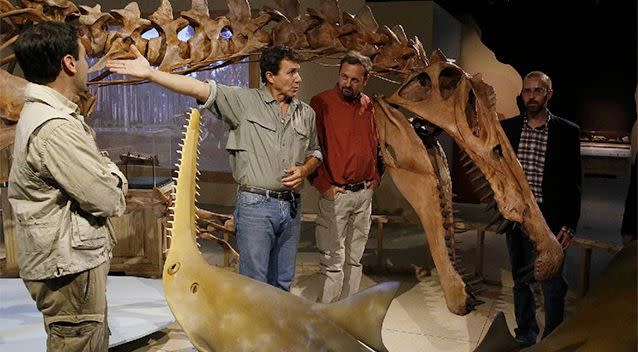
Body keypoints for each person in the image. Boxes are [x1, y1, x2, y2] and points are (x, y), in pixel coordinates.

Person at [107, 45, 322, 291]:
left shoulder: (306, 113)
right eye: (291, 72)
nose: (299, 79)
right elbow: (199, 88)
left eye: (298, 72)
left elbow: (315, 151)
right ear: (270, 76)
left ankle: (276, 329)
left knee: (283, 281)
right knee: (254, 284)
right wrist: (151, 74)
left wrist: (305, 169)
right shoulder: (244, 102)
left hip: (291, 207)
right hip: (257, 206)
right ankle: (249, 330)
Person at [9, 22, 128, 351]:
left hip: (68, 259)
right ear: (69, 63)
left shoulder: (52, 118)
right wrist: (115, 175)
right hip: (68, 266)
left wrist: (103, 171)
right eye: (85, 57)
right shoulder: (55, 128)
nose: (88, 66)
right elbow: (107, 198)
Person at [501, 71, 582, 346]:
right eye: (527, 91)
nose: (531, 96)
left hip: (550, 219)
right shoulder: (509, 129)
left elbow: (574, 183)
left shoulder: (567, 132)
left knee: (553, 284)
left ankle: (554, 338)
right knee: (521, 281)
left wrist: (569, 224)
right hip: (518, 219)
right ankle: (525, 334)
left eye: (537, 90)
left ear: (549, 94)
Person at [309, 51, 382, 303]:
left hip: (363, 194)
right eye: (344, 77)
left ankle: (347, 312)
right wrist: (324, 186)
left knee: (354, 259)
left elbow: (375, 144)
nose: (347, 84)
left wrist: (376, 177)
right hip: (336, 195)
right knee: (333, 260)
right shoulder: (321, 102)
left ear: (365, 80)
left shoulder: (368, 105)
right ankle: (327, 317)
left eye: (354, 80)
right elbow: (311, 147)